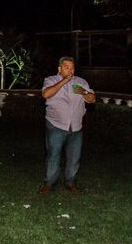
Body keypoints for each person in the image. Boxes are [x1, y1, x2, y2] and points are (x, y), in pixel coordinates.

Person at [39, 56, 96, 194]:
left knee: (74, 157)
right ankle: (49, 184)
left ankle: (70, 183)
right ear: (59, 68)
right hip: (56, 125)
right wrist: (64, 81)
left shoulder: (81, 82)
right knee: (53, 155)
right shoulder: (51, 80)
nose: (70, 70)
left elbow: (93, 99)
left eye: (72, 67)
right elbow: (46, 94)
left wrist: (83, 92)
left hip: (76, 127)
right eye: (67, 67)